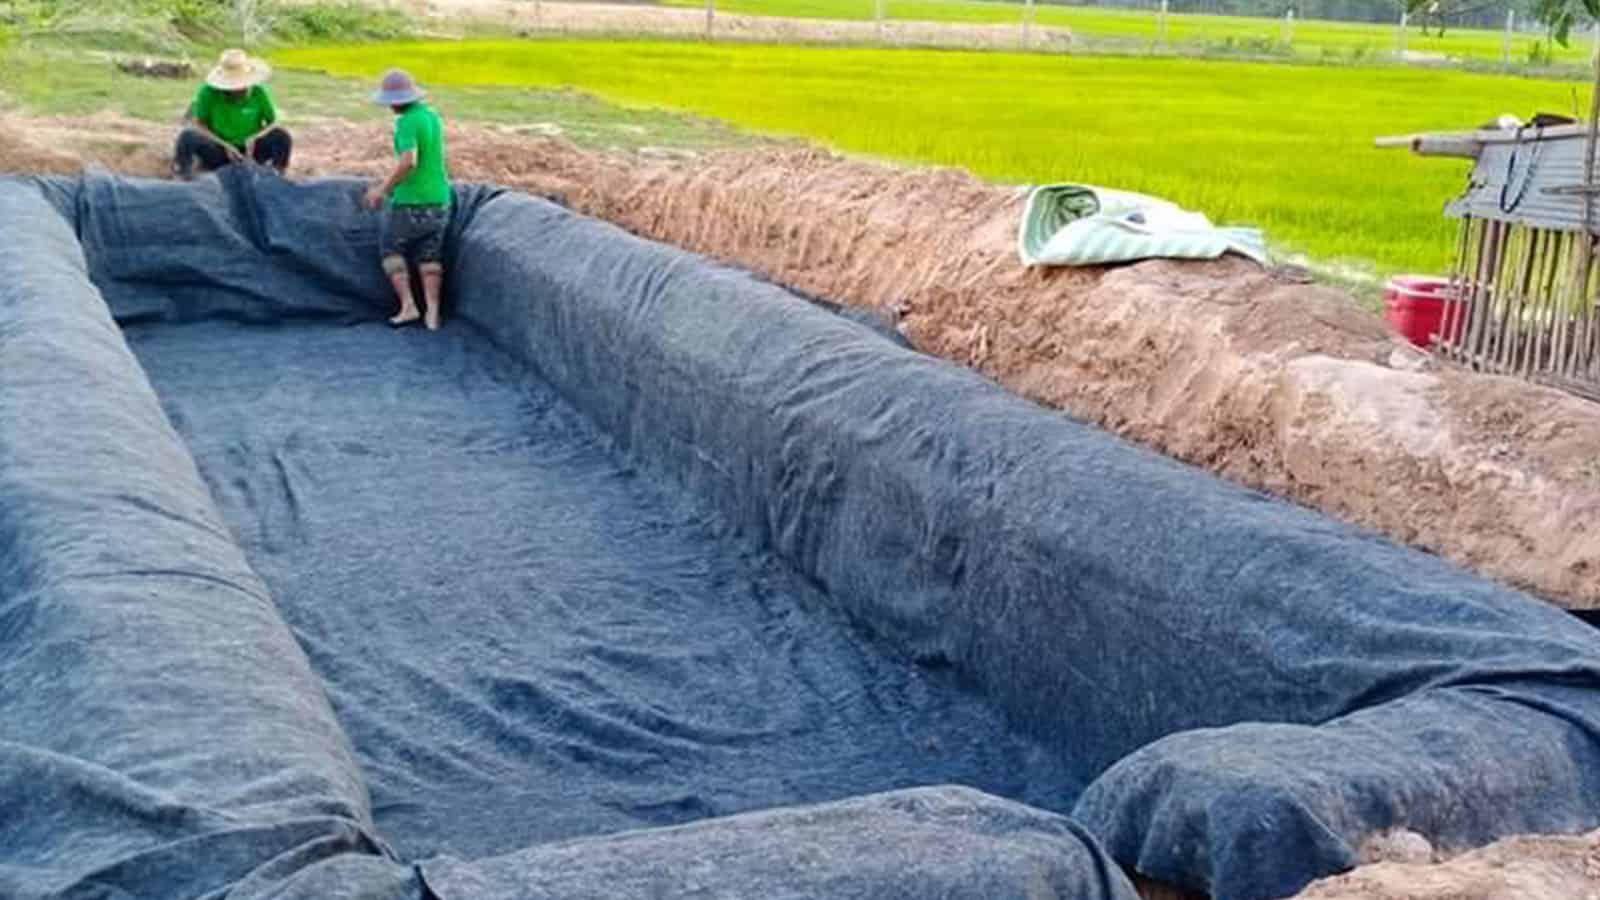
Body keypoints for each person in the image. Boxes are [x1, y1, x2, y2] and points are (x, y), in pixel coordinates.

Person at [364, 69, 452, 331]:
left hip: (411, 200)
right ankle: (433, 313)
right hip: (440, 199)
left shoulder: (406, 123)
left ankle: (409, 306)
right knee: (430, 254)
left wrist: (384, 189)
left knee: (391, 249)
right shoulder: (432, 117)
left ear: (395, 101)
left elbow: (409, 162)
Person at [172, 49, 292, 179]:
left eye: (242, 86)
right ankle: (184, 174)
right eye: (233, 87)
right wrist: (224, 145)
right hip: (219, 151)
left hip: (251, 152)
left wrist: (255, 138)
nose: (239, 90)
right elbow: (198, 123)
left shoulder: (259, 92)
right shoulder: (207, 93)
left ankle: (278, 173)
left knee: (282, 136)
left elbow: (274, 121)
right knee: (187, 137)